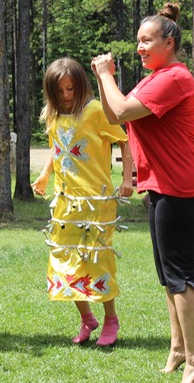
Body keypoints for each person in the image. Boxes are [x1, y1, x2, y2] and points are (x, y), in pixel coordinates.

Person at [92, 3, 194, 383]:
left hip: (181, 187)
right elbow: (114, 115)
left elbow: (123, 110)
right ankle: (179, 348)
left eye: (147, 41)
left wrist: (104, 73)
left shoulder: (174, 78)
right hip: (162, 186)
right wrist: (103, 78)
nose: (140, 47)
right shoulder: (153, 76)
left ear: (170, 42)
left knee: (180, 275)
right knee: (167, 276)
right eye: (138, 41)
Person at [31, 58, 134, 347]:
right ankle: (87, 318)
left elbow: (125, 142)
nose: (66, 95)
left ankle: (111, 320)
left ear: (81, 86)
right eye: (60, 90)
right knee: (64, 259)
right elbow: (57, 148)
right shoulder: (52, 115)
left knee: (96, 259)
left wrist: (128, 179)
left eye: (71, 89)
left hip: (96, 201)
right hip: (65, 202)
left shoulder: (95, 111)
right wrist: (43, 177)